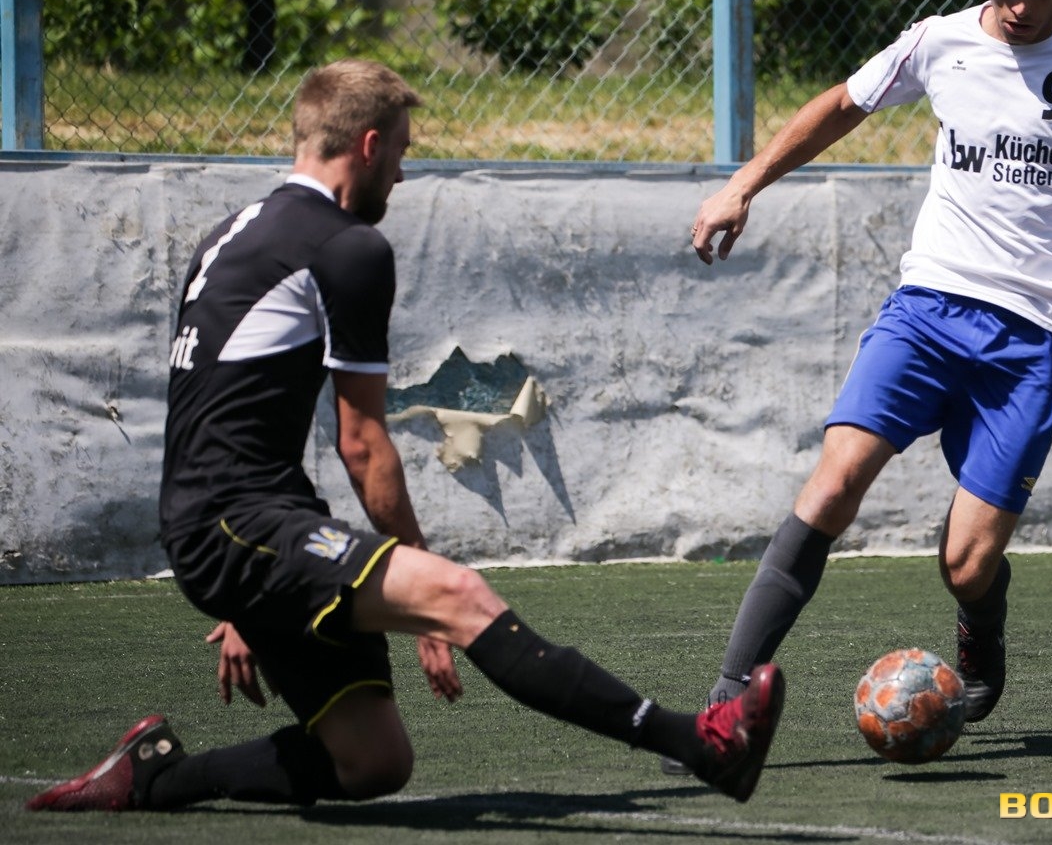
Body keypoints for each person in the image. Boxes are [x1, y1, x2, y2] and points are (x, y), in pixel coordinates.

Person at [28, 59, 783, 813]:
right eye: (400, 151)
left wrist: (246, 587)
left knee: (372, 762)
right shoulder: (346, 248)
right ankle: (704, 744)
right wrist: (411, 587)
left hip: (229, 525)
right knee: (458, 593)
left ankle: (156, 777)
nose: (401, 173)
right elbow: (362, 443)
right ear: (368, 145)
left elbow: (213, 409)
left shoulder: (229, 237)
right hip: (235, 526)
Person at [671, 0, 1052, 763]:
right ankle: (724, 710)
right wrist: (743, 184)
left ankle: (980, 624)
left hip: (1033, 340)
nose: (1020, 7)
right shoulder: (939, 40)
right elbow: (843, 104)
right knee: (833, 486)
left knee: (966, 563)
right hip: (929, 308)